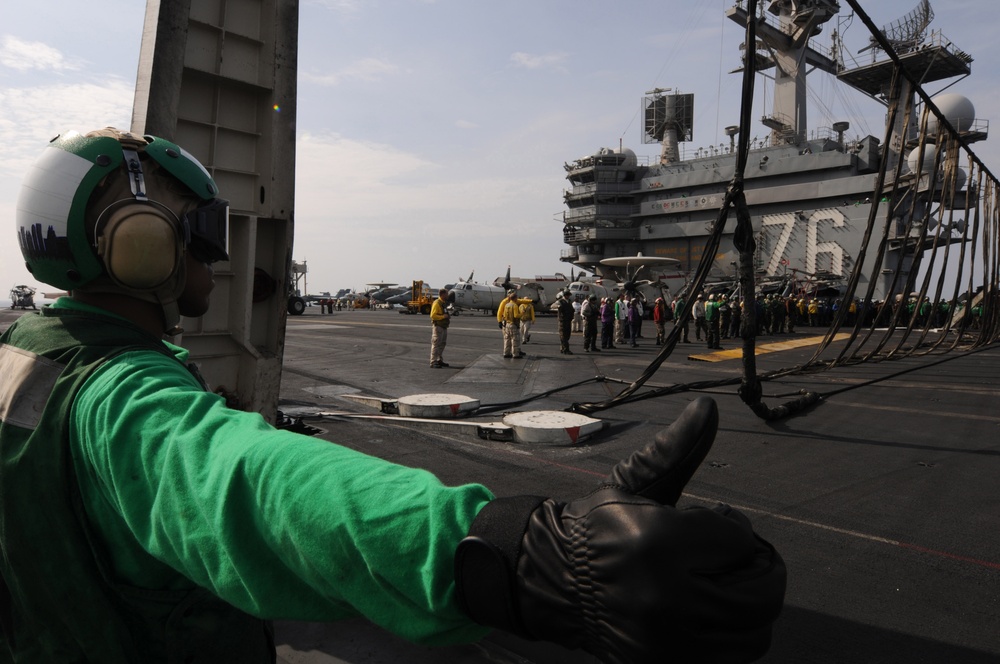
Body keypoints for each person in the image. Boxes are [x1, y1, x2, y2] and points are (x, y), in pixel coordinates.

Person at [0, 128, 785, 663]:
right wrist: (513, 554)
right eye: (197, 225)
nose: (216, 246)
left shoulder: (25, 350)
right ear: (137, 241)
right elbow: (243, 480)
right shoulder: (119, 396)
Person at [498, 289, 525, 359]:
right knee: (515, 339)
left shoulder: (506, 305)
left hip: (507, 324)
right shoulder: (515, 305)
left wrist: (500, 321)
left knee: (507, 339)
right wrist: (522, 313)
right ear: (515, 298)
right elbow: (516, 315)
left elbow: (501, 313)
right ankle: (516, 354)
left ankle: (506, 353)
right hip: (513, 324)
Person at [429, 288, 451, 368]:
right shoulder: (437, 303)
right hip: (438, 326)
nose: (448, 295)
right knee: (436, 344)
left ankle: (439, 359)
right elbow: (433, 315)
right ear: (442, 294)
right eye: (446, 294)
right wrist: (443, 316)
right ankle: (433, 361)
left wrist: (447, 316)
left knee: (442, 344)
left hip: (443, 326)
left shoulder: (443, 303)